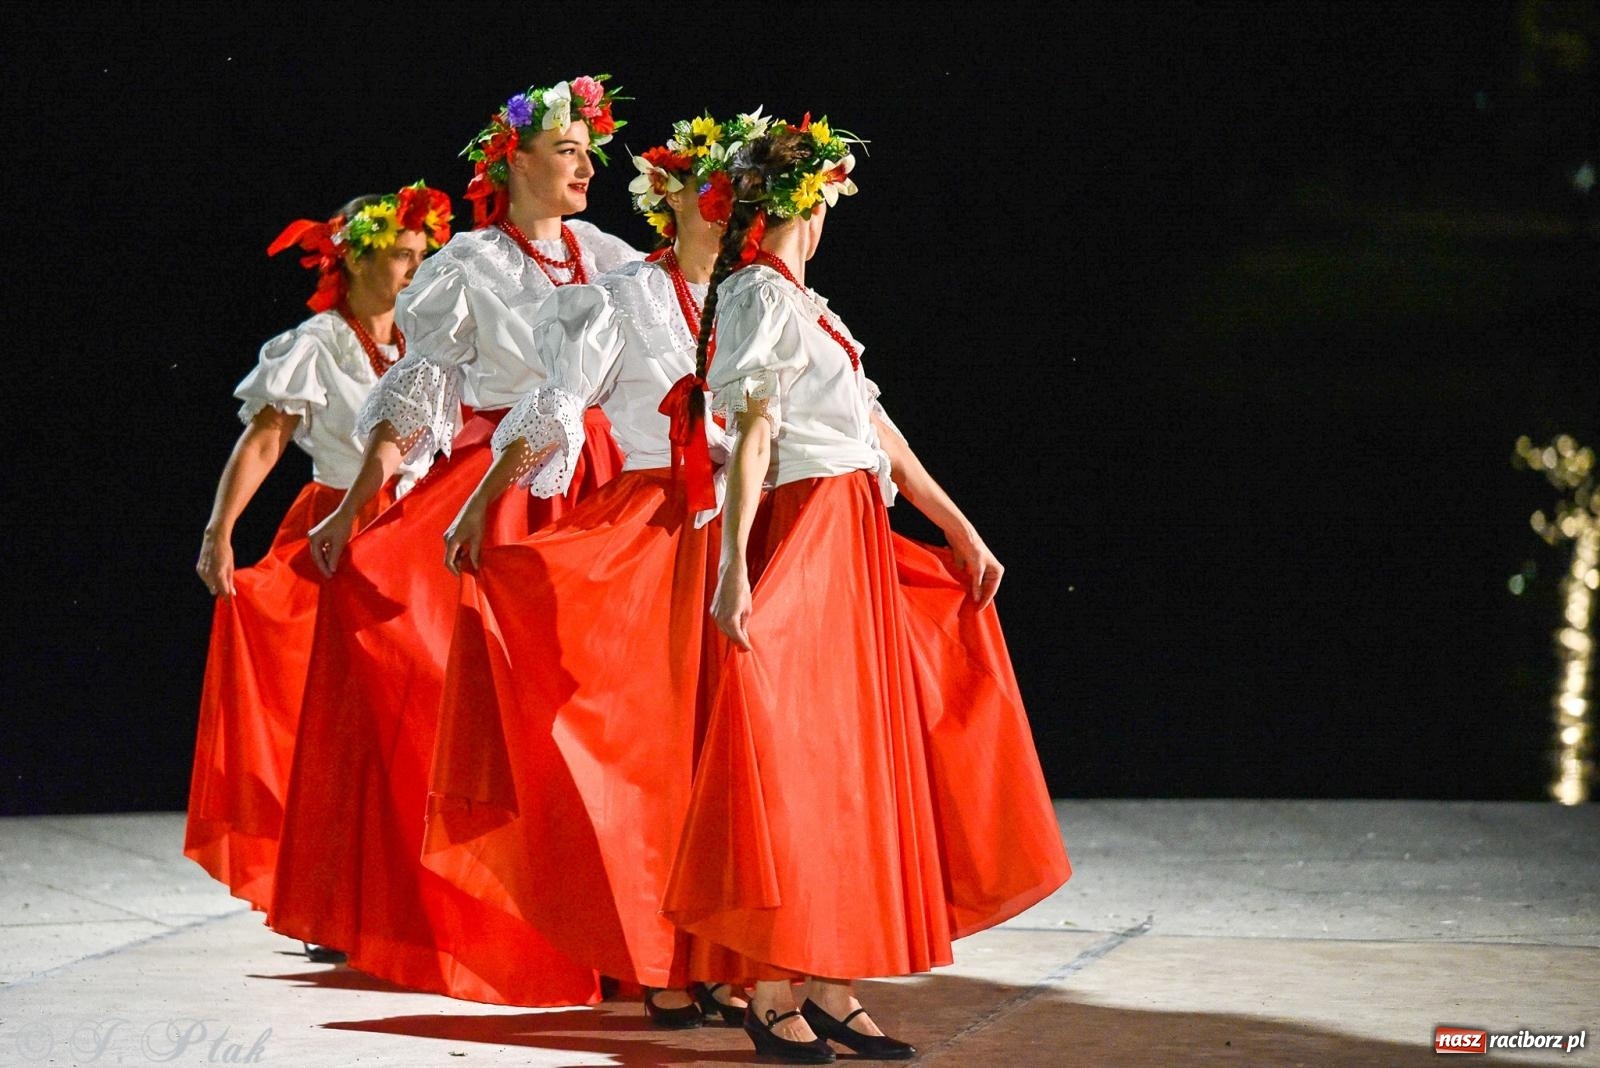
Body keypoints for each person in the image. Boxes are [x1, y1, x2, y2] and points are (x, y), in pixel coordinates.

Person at [660, 119, 1073, 1063]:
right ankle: (770, 986)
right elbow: (756, 438)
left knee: (851, 762)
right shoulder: (760, 294)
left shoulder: (812, 307)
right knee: (795, 756)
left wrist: (956, 524)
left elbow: (874, 430)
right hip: (806, 529)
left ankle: (830, 982)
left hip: (854, 533)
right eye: (823, 191)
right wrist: (733, 572)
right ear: (801, 202)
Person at [265, 76, 641, 1007]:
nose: (586, 165)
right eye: (567, 150)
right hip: (498, 483)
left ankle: (611, 926)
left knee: (600, 709)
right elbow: (418, 394)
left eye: (588, 150)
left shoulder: (604, 251)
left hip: (592, 475)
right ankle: (499, 917)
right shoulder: (469, 263)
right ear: (512, 162)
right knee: (486, 707)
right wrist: (354, 508)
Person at [423, 112, 775, 1029]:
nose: (729, 204)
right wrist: (481, 496)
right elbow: (561, 400)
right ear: (673, 199)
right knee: (649, 754)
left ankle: (723, 953)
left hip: (734, 529)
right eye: (713, 187)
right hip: (651, 531)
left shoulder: (751, 295)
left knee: (725, 756)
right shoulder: (624, 296)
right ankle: (656, 958)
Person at [186, 184, 449, 922]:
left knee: (419, 712)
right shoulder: (317, 344)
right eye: (399, 255)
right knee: (346, 720)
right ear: (354, 256)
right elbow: (266, 437)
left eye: (418, 255)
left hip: (419, 529)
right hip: (343, 525)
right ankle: (333, 898)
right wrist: (219, 528)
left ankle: (409, 887)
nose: (411, 269)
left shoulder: (427, 340)